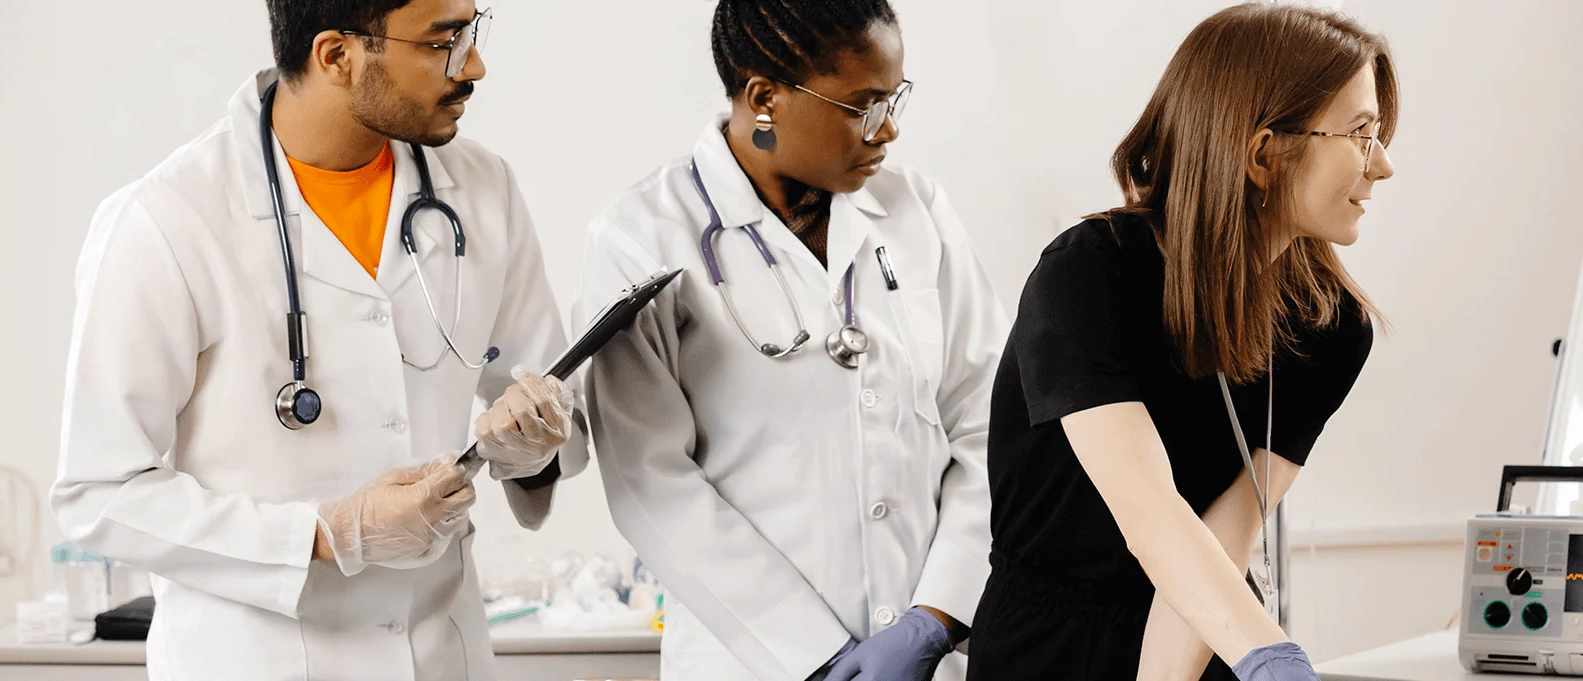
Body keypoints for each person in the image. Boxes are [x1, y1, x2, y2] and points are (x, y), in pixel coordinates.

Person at [53, 0, 578, 678]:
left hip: (441, 653)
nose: (473, 65)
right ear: (336, 55)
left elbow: (541, 401)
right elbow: (99, 493)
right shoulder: (168, 220)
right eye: (443, 41)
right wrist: (326, 536)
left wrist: (533, 448)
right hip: (255, 660)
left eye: (473, 30)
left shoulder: (482, 189)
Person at [575, 1, 1002, 679]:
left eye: (893, 100)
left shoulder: (917, 212)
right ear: (765, 98)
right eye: (863, 106)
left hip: (926, 658)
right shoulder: (641, 237)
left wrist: (936, 616)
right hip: (753, 662)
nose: (888, 129)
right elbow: (651, 483)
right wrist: (816, 655)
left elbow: (989, 426)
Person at [967, 5, 1395, 681]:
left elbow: (1227, 532)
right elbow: (1150, 515)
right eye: (1362, 135)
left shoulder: (1331, 327)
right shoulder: (1089, 274)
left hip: (1204, 632)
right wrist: (1266, 653)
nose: (1384, 166)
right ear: (1262, 154)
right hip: (1049, 649)